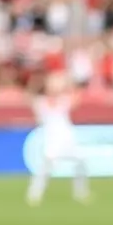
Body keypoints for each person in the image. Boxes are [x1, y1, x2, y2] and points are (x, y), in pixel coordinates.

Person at [25, 71, 91, 206]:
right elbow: (29, 96)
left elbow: (77, 98)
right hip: (52, 140)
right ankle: (34, 194)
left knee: (81, 160)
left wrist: (69, 83)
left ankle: (80, 192)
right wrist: (36, 82)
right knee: (46, 166)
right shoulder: (40, 103)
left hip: (67, 139)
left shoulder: (63, 100)